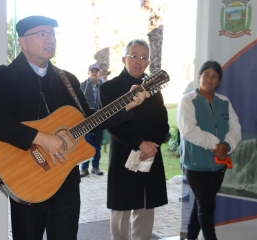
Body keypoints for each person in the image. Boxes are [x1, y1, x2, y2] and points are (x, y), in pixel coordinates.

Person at [0, 16, 149, 240]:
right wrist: (40, 138)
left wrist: (126, 105)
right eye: (41, 34)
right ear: (23, 42)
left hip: (66, 180)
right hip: (26, 179)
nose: (49, 39)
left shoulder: (66, 79)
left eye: (51, 34)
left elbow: (88, 118)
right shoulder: (7, 76)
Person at [99, 39, 169, 240]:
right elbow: (113, 124)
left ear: (148, 63)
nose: (139, 61)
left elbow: (163, 122)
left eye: (144, 57)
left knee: (145, 212)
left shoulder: (154, 87)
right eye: (134, 56)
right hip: (124, 155)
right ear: (124, 59)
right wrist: (140, 144)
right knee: (121, 214)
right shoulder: (109, 89)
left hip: (150, 156)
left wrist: (151, 146)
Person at [177, 61, 241, 240]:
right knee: (207, 206)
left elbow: (235, 129)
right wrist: (216, 145)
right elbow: (189, 130)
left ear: (219, 81)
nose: (209, 79)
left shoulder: (224, 102)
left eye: (214, 76)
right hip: (196, 165)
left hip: (218, 166)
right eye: (206, 74)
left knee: (202, 203)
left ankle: (190, 237)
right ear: (199, 77)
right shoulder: (187, 101)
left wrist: (227, 145)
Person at [79, 63, 104, 177]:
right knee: (86, 145)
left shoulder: (104, 87)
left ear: (99, 74)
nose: (94, 73)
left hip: (100, 121)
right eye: (92, 71)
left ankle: (95, 167)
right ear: (88, 73)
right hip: (86, 122)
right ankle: (84, 168)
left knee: (97, 146)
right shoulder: (82, 86)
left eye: (96, 71)